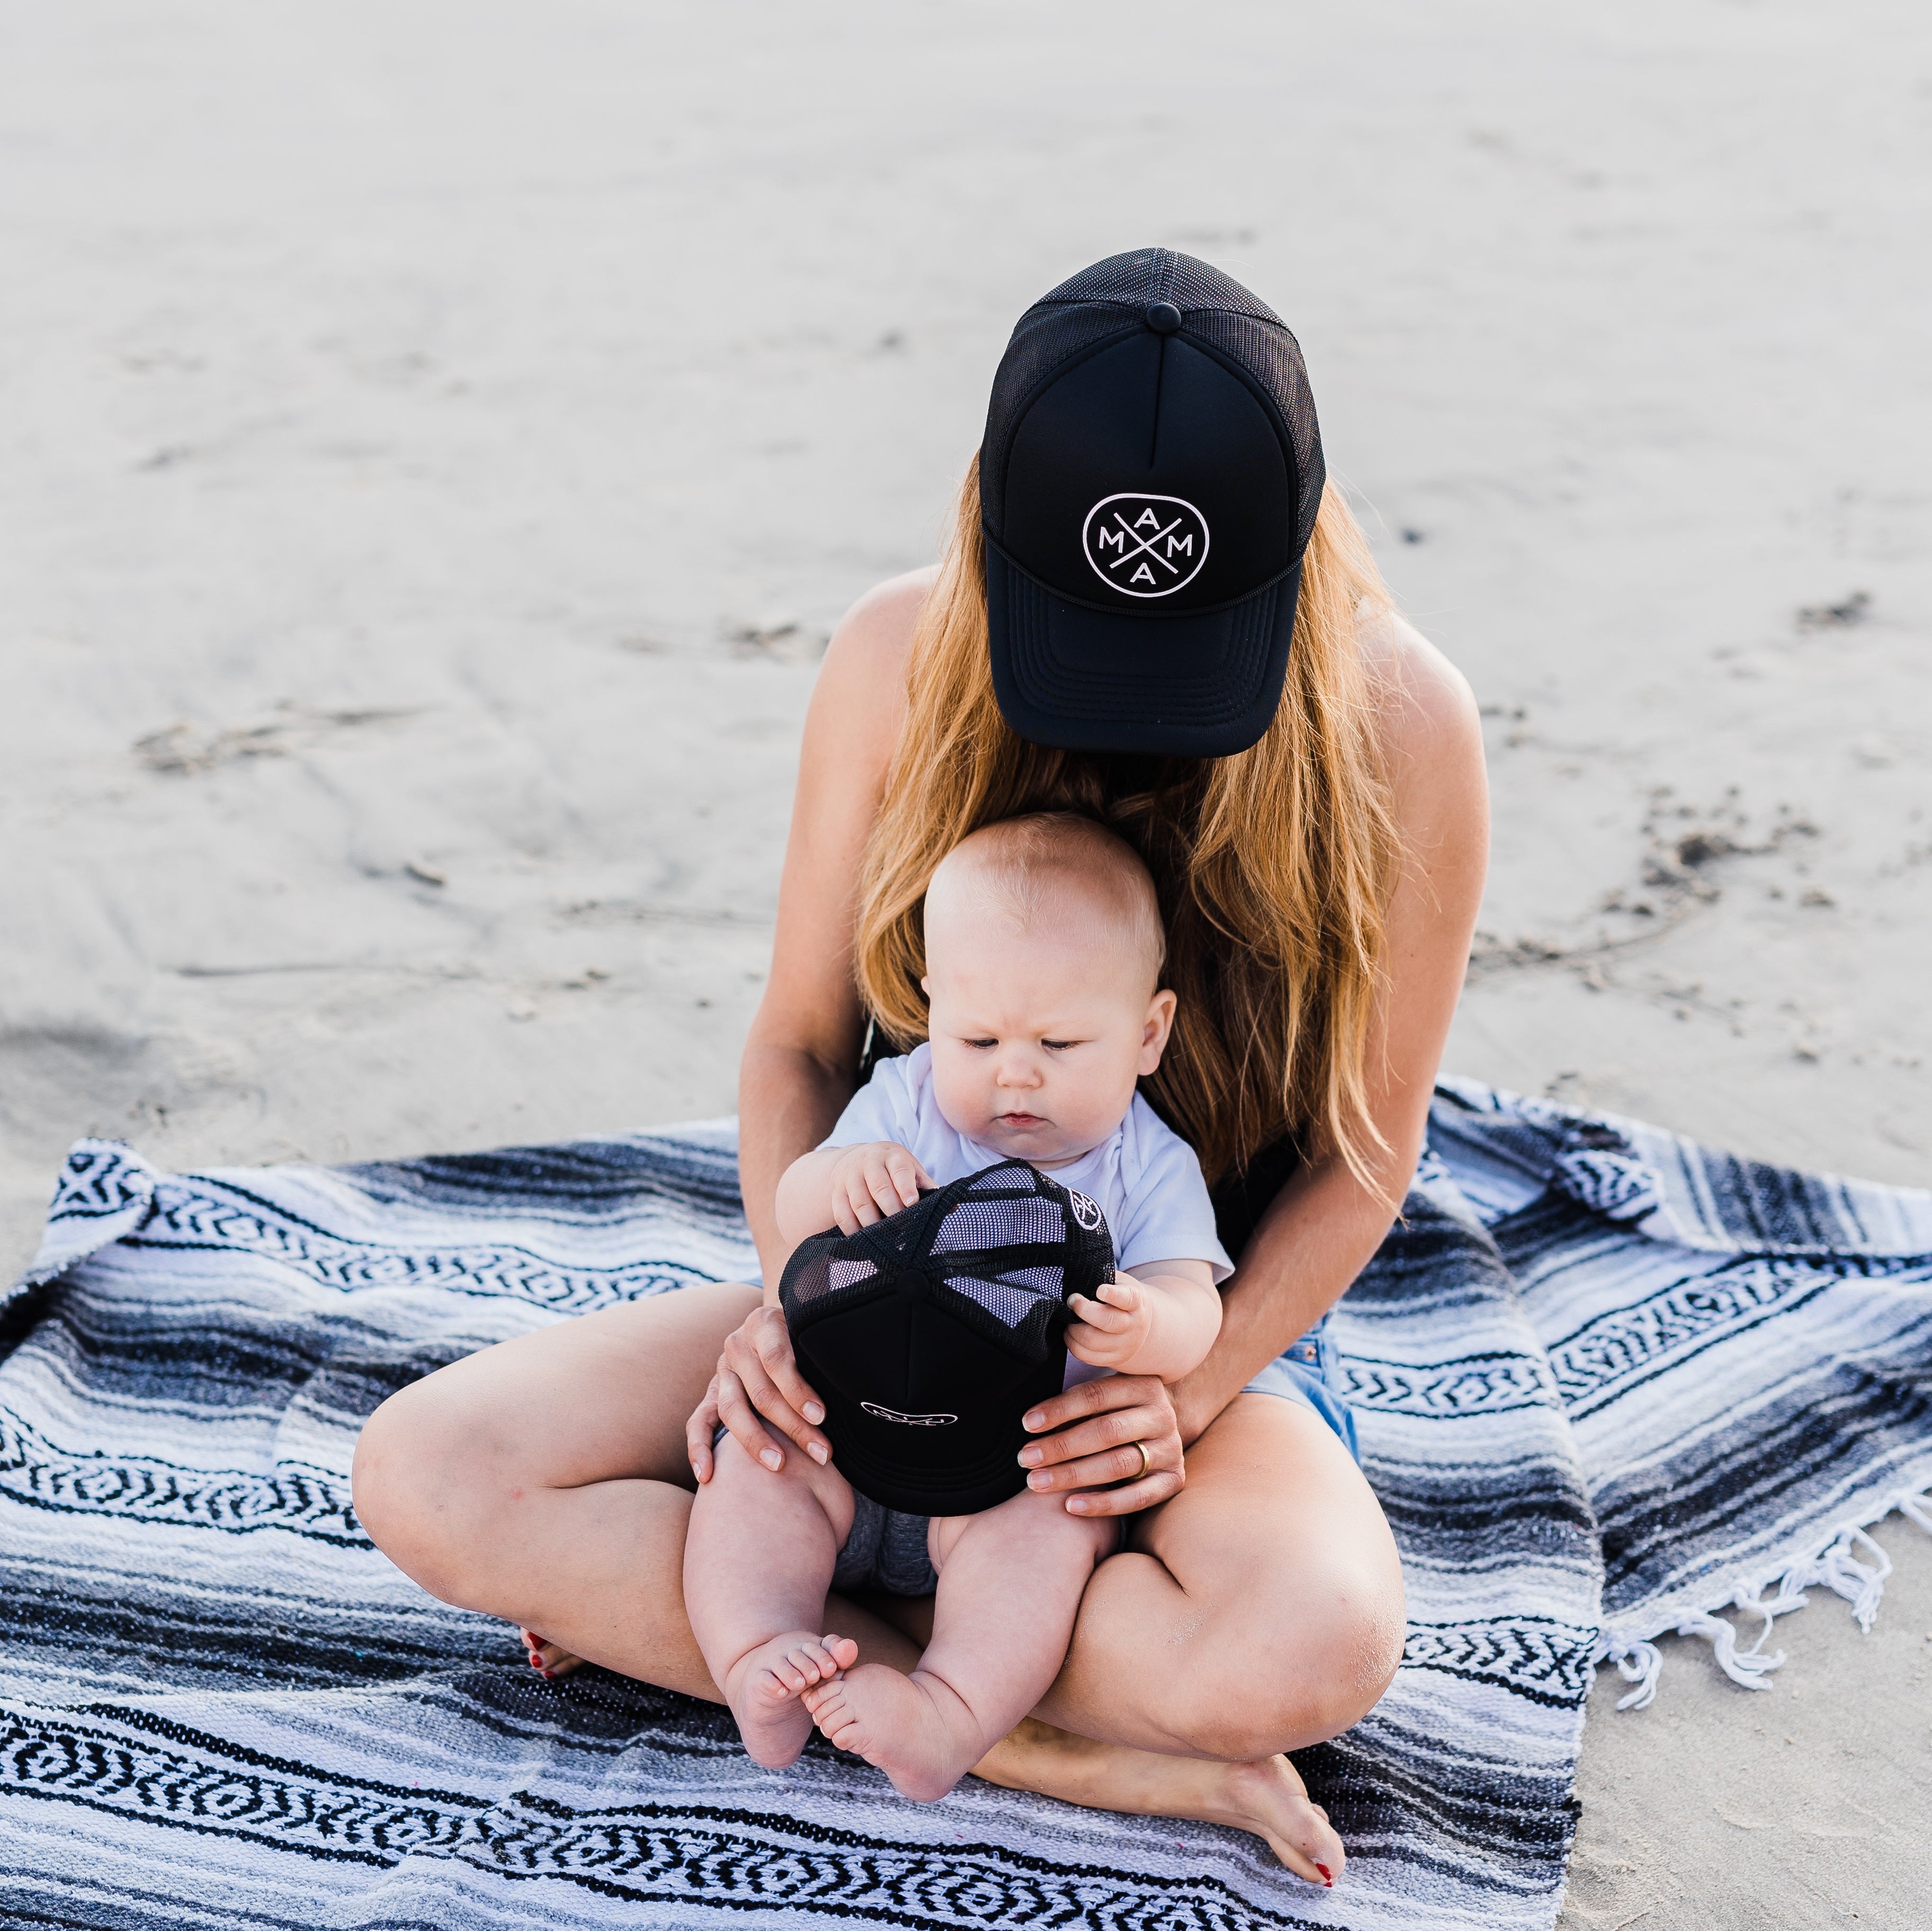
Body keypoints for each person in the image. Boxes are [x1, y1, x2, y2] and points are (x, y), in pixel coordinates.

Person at [352, 247, 1488, 1893]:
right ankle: (1045, 1737)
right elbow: (801, 1046)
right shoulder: (898, 654)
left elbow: (1370, 1153)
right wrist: (790, 1298)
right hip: (883, 1290)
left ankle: (797, 1646)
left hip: (1165, 1330)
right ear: (988, 530)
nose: (1137, 734)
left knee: (1313, 1652)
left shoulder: (1403, 723)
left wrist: (1190, 1381)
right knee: (429, 1476)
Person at [684, 814, 1229, 1800]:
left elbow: (1197, 1304)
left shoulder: (1148, 1165)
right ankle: (756, 1657)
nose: (1013, 1072)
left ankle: (950, 1713)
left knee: (1050, 1537)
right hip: (840, 1434)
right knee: (754, 1468)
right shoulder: (905, 1102)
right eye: (977, 1037)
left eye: (1060, 1042)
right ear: (932, 1011)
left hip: (1005, 1473)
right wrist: (840, 1178)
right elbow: (796, 1207)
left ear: (1148, 1034)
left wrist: (1152, 1325)